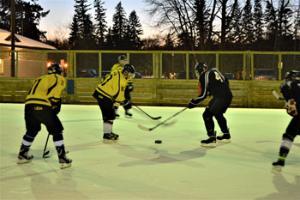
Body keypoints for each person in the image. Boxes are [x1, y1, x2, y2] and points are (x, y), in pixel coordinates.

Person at [17, 63, 72, 169]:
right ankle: (62, 158)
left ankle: (22, 154)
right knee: (57, 130)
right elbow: (55, 95)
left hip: (29, 105)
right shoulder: (58, 78)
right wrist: (55, 105)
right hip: (42, 105)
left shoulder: (40, 78)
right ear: (59, 71)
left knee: (32, 130)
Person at [187, 63, 233, 147]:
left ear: (200, 70)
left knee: (207, 114)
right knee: (217, 113)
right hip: (227, 95)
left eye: (197, 71)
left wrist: (193, 102)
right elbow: (225, 80)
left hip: (220, 97)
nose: (197, 73)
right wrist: (214, 90)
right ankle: (226, 134)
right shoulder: (215, 70)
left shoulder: (204, 75)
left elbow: (203, 95)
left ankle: (212, 138)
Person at [93, 64, 135, 142]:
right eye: (130, 73)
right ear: (126, 72)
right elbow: (117, 93)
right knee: (109, 115)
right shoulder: (120, 78)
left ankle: (108, 133)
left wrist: (121, 101)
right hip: (103, 95)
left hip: (104, 94)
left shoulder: (119, 73)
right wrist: (123, 101)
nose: (131, 75)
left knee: (110, 114)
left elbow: (118, 93)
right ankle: (107, 134)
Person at [272, 70, 300, 171]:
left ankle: (281, 160)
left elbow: (292, 110)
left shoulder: (286, 86)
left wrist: (289, 105)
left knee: (288, 136)